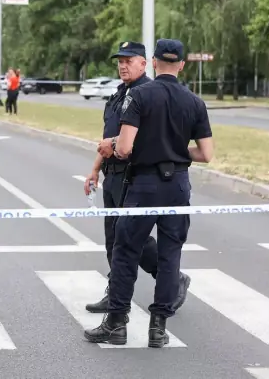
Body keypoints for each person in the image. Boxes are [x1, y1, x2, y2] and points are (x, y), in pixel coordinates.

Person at [84, 39, 213, 348]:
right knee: (170, 254)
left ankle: (117, 323)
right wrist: (174, 149)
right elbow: (206, 154)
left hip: (143, 183)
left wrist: (111, 146)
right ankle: (158, 328)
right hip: (178, 185)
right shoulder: (195, 102)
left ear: (154, 62)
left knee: (126, 250)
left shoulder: (140, 95)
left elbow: (126, 147)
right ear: (182, 64)